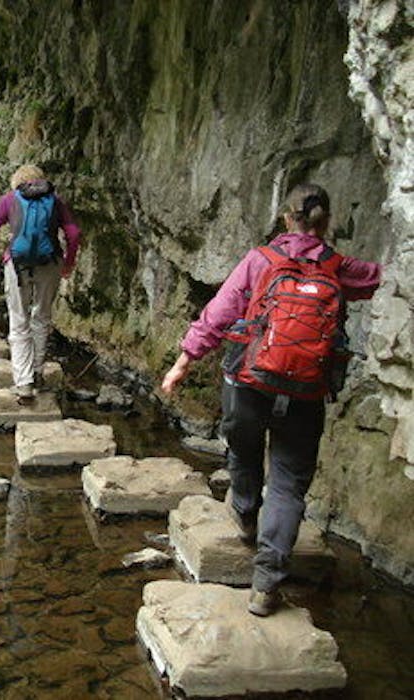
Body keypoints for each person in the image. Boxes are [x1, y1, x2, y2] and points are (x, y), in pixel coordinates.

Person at [161, 184, 381, 616]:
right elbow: (384, 278)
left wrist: (183, 361)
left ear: (286, 219)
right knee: (287, 484)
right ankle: (266, 585)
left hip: (248, 381)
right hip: (305, 391)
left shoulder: (261, 260)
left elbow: (219, 312)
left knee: (243, 451)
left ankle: (244, 514)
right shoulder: (338, 266)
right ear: (326, 223)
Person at [0, 164, 82, 399]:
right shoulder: (54, 200)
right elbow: (73, 233)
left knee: (18, 320)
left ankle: (23, 382)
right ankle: (36, 371)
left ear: (17, 182)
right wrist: (68, 262)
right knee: (41, 317)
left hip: (17, 265)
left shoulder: (10, 199)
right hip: (50, 262)